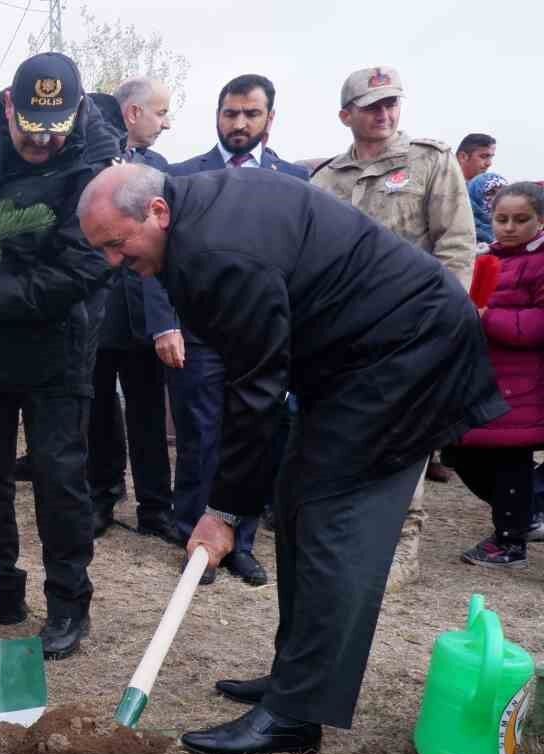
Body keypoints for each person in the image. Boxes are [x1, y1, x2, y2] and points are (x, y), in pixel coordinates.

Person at [77, 163, 503, 754]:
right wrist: (231, 503)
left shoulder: (219, 252)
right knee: (298, 500)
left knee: (335, 519)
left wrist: (222, 511)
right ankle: (293, 677)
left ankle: (297, 713)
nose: (115, 262)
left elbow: (256, 391)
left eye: (117, 245)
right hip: (352, 357)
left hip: (406, 356)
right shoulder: (197, 220)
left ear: (157, 212)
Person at [0, 53, 119, 660]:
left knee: (59, 481)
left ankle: (68, 605)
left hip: (55, 348)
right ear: (10, 106)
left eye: (57, 127)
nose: (44, 140)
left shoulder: (97, 158)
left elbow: (85, 266)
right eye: (32, 125)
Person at [311, 65, 478, 591]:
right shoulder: (325, 180)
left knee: (407, 437)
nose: (385, 114)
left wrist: (442, 324)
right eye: (371, 106)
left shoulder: (430, 162)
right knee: (347, 437)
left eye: (392, 103)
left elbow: (455, 245)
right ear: (346, 115)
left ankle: (401, 548)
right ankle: (351, 538)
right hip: (345, 336)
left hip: (411, 327)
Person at [164, 74, 309, 586]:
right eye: (230, 113)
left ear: (270, 118)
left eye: (251, 114)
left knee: (254, 432)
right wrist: (167, 324)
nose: (239, 123)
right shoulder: (182, 177)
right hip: (199, 332)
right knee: (200, 435)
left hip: (264, 337)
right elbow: (158, 257)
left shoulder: (295, 181)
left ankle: (240, 542)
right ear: (217, 116)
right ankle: (194, 537)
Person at [87, 76, 176, 540]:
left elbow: (169, 249)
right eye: (160, 112)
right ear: (133, 113)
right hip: (96, 317)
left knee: (146, 414)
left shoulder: (160, 169)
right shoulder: (88, 164)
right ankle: (102, 495)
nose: (166, 122)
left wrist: (166, 321)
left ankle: (155, 506)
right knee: (98, 410)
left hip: (145, 317)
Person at [442, 182, 544, 568]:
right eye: (502, 219)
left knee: (510, 460)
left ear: (540, 220)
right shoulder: (486, 259)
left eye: (521, 219)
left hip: (522, 383)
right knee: (463, 455)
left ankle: (510, 542)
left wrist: (489, 320)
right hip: (481, 376)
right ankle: (527, 513)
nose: (510, 227)